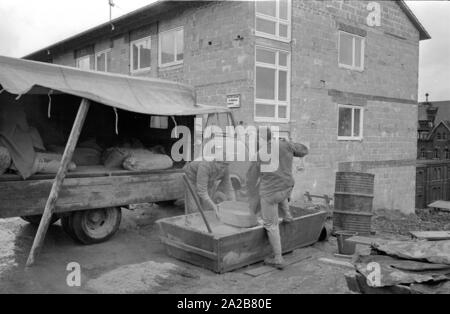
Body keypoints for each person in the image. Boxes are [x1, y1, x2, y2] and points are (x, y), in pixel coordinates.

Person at [247, 128, 309, 269]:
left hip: (270, 194)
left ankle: (278, 258)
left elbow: (251, 179)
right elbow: (304, 151)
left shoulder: (259, 154)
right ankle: (287, 216)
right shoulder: (284, 144)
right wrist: (289, 143)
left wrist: (250, 196)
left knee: (271, 225)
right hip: (287, 187)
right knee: (280, 192)